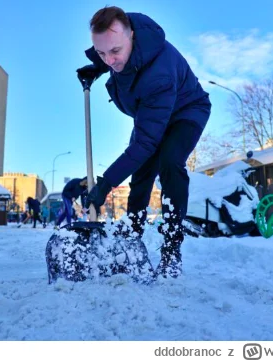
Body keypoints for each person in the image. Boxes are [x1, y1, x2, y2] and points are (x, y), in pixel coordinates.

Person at [77, 6, 211, 278]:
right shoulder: (120, 44)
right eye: (102, 53)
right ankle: (131, 236)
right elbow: (112, 55)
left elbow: (146, 144)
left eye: (114, 51)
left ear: (132, 37)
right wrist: (96, 67)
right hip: (152, 113)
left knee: (169, 162)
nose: (110, 60)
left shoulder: (157, 73)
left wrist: (105, 182)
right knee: (140, 176)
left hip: (186, 111)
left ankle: (172, 248)